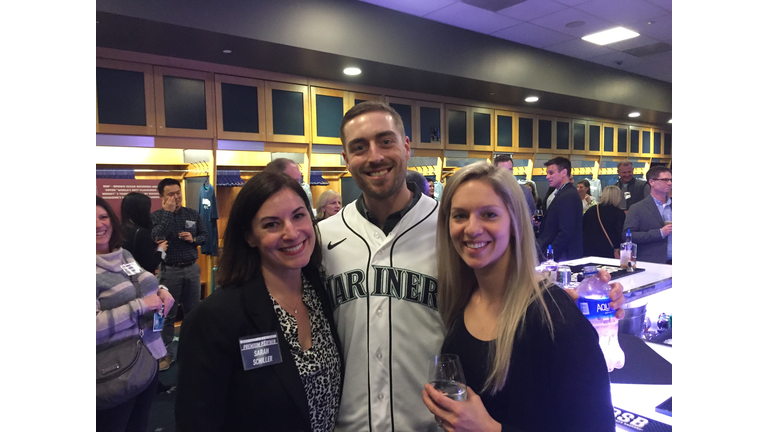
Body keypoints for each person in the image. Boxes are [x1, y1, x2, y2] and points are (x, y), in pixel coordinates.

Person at [319, 101, 625, 431]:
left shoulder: (445, 226)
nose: (375, 155)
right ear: (345, 158)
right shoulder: (322, 239)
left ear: (406, 147)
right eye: (360, 147)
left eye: (386, 140)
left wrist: (570, 301)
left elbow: (511, 287)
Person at [421, 162, 615, 432]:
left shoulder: (555, 317)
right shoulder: (463, 299)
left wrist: (489, 429)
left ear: (514, 222)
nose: (472, 228)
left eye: (489, 214)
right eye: (460, 215)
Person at [175, 172, 343, 432]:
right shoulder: (215, 318)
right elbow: (197, 420)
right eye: (272, 224)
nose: (291, 233)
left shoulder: (321, 292)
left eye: (298, 216)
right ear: (249, 236)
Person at [97, 196, 174, 432]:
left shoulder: (124, 255)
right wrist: (140, 306)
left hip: (147, 359)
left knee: (139, 425)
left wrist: (162, 291)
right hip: (113, 370)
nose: (99, 225)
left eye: (103, 217)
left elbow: (141, 283)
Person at [151, 178, 207, 371]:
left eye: (178, 193)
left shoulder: (191, 213)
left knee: (194, 313)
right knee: (167, 315)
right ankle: (165, 354)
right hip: (169, 270)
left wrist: (194, 239)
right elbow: (157, 236)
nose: (176, 197)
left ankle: (193, 351)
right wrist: (167, 213)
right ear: (162, 197)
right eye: (170, 194)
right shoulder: (157, 216)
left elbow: (204, 235)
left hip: (192, 268)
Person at [536, 157, 583, 261]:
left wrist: (549, 255)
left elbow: (566, 232)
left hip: (563, 257)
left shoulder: (568, 195)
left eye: (551, 173)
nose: (547, 177)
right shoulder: (563, 193)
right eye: (547, 173)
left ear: (564, 172)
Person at [624, 166, 672, 264]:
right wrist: (660, 233)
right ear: (652, 182)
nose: (670, 183)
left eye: (671, 180)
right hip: (653, 262)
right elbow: (628, 235)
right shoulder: (638, 208)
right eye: (665, 180)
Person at [121, 192, 167, 274]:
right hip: (141, 277)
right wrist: (161, 250)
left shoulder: (120, 228)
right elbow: (150, 265)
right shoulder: (142, 233)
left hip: (125, 275)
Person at [582, 185, 626, 259]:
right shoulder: (618, 213)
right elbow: (620, 233)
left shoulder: (591, 210)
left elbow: (583, 228)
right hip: (609, 251)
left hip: (589, 250)